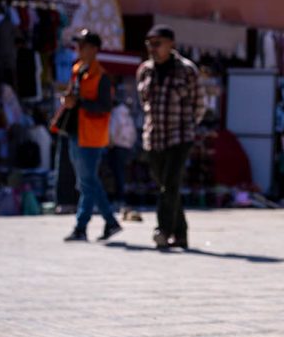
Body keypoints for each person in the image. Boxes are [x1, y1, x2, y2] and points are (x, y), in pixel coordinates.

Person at [137, 24, 203, 249]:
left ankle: (163, 230)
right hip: (154, 137)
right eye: (149, 44)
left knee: (170, 185)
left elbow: (198, 105)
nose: (152, 49)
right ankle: (181, 234)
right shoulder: (145, 71)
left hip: (179, 137)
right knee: (166, 186)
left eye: (157, 44)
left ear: (170, 44)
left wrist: (188, 127)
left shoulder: (186, 70)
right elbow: (143, 103)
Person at [61, 29, 121, 242]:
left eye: (84, 45)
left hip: (92, 136)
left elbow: (105, 106)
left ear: (94, 49)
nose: (79, 49)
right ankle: (109, 222)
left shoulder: (101, 76)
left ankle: (82, 226)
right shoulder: (77, 70)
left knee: (87, 182)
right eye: (78, 45)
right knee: (86, 182)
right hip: (76, 132)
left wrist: (80, 103)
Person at [108, 92, 137, 219]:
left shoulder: (116, 113)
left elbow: (113, 131)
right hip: (127, 147)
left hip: (117, 146)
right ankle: (123, 198)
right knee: (123, 174)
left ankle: (119, 199)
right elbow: (133, 133)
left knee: (117, 174)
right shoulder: (127, 115)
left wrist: (110, 143)